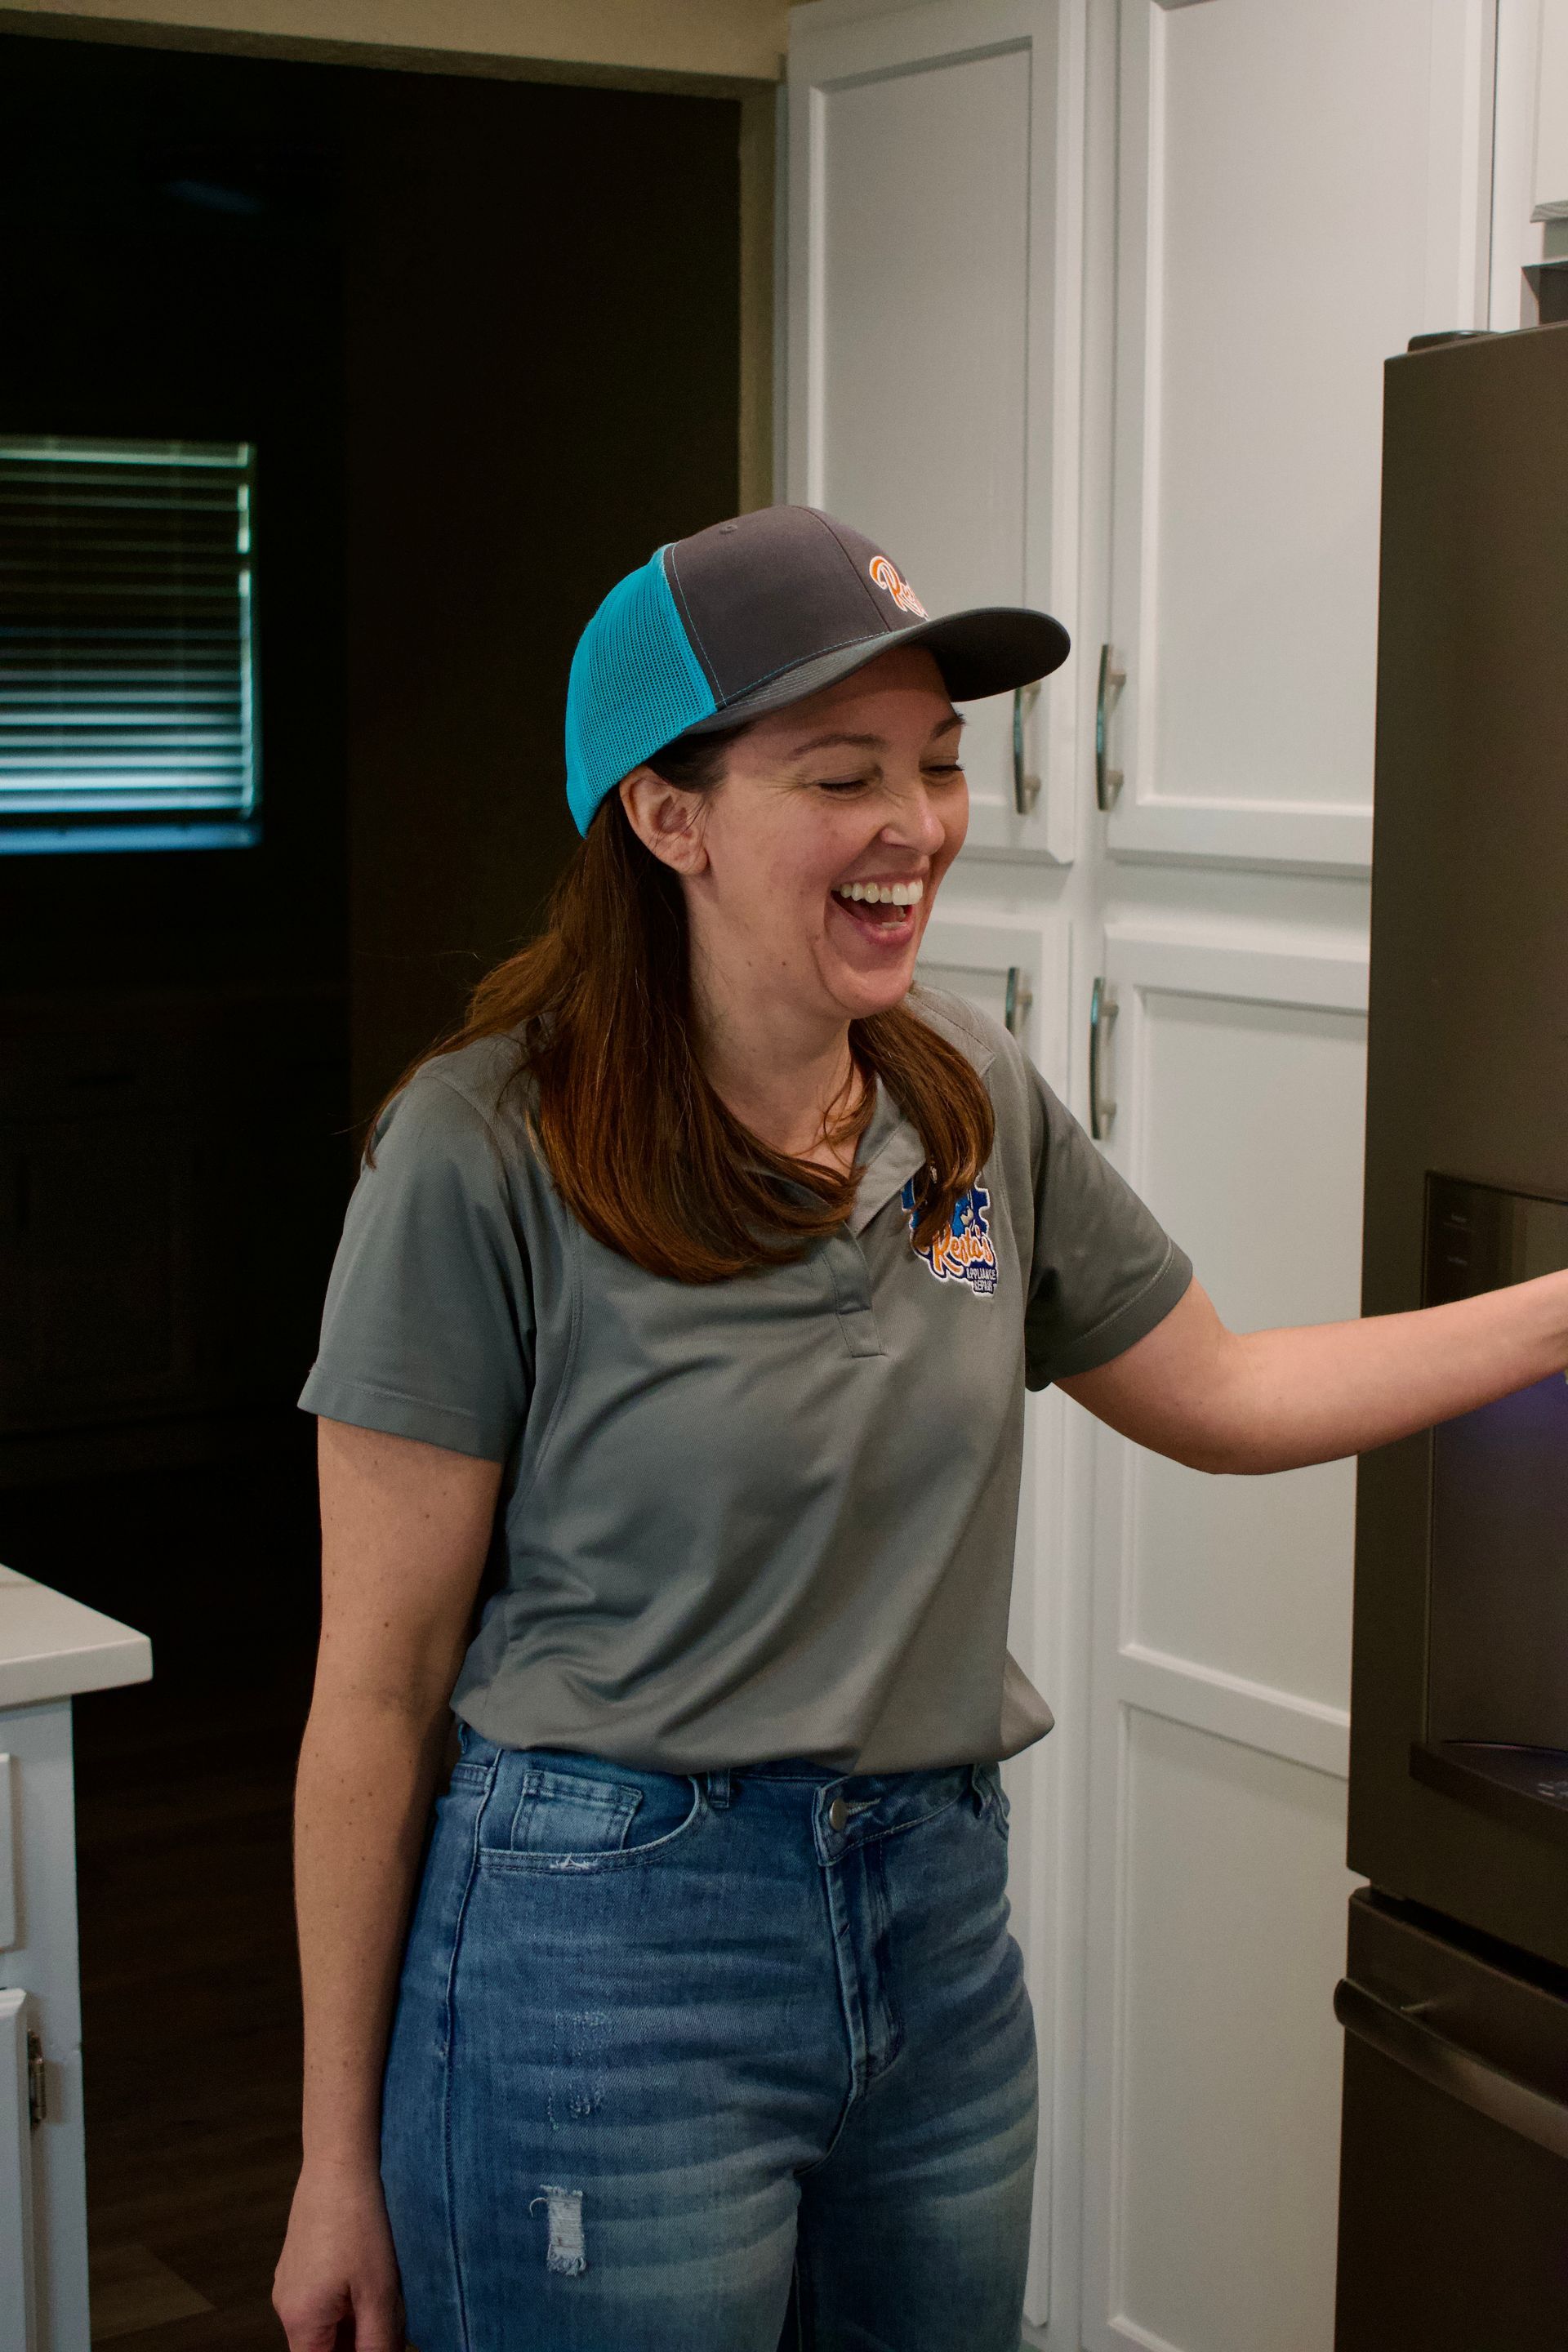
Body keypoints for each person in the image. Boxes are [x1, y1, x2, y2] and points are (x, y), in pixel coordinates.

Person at [272, 506, 1568, 2352]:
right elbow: (375, 1693)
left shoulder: (966, 1108)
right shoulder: (484, 1155)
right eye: (843, 774)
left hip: (936, 1937)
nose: (920, 828)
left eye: (942, 767)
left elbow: (1226, 1393)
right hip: (605, 1954)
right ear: (669, 816)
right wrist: (335, 2159)